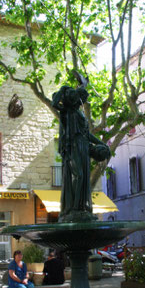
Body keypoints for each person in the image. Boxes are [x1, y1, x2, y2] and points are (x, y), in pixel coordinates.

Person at [52, 84, 111, 222]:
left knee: (83, 177)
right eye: (82, 98)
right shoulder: (66, 112)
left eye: (84, 99)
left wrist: (102, 144)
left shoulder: (80, 114)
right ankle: (73, 208)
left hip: (83, 147)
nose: (83, 101)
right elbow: (54, 103)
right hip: (73, 146)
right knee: (78, 175)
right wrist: (64, 89)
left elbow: (87, 135)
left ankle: (81, 207)